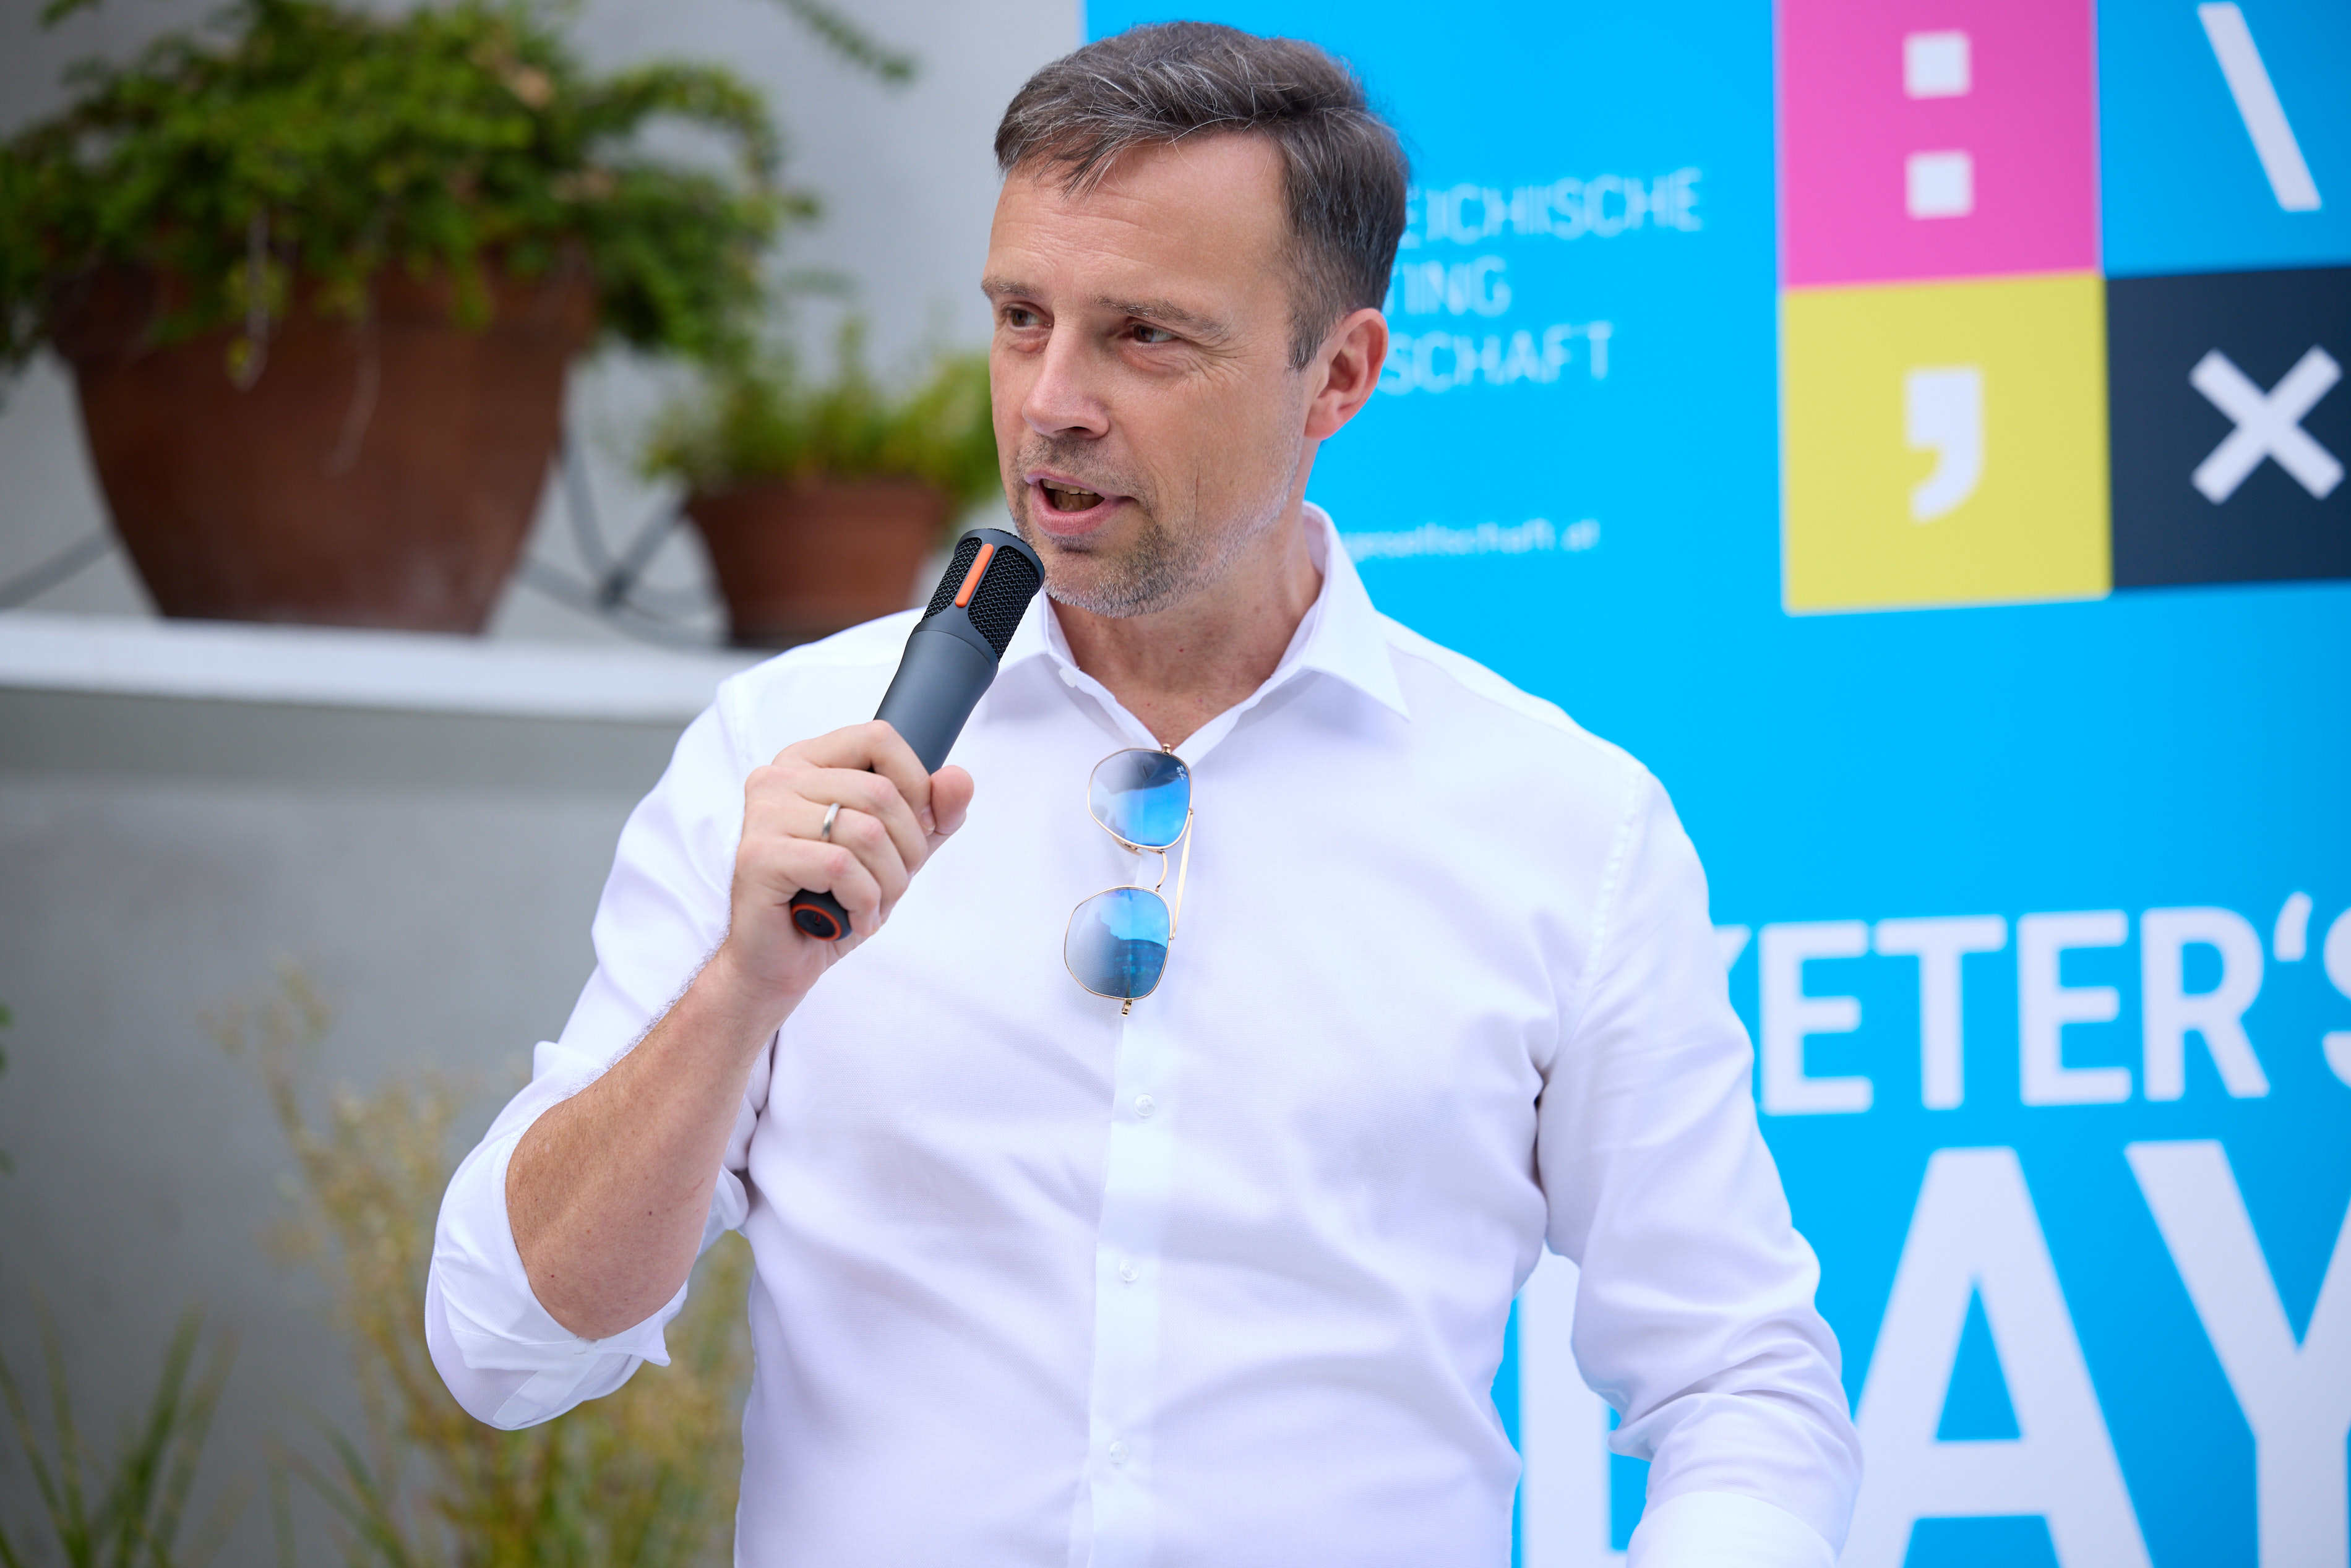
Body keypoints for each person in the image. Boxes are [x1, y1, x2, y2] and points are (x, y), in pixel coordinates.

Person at [429, 22, 1860, 1567]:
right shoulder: (786, 750)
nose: (1052, 400)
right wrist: (737, 993)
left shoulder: (1561, 823)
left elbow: (1743, 1381)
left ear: (1338, 376)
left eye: (1144, 337)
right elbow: (506, 1345)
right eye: (1020, 318)